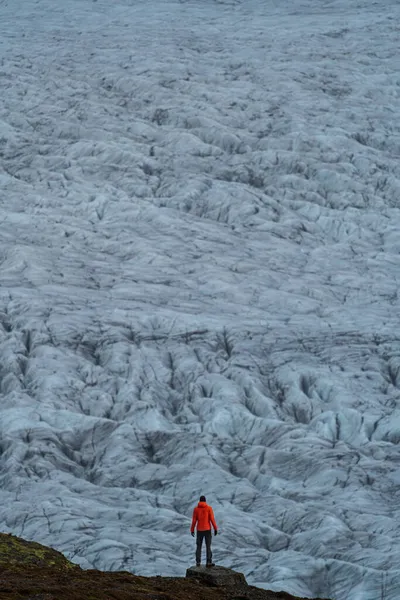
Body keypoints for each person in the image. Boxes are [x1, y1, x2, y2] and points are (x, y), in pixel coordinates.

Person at [190, 495, 218, 567]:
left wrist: (192, 530)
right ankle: (208, 562)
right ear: (205, 501)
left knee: (198, 546)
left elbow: (194, 521)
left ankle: (198, 562)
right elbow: (212, 519)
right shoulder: (209, 508)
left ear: (199, 501)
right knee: (208, 546)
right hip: (207, 530)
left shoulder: (196, 509)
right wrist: (215, 528)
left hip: (199, 530)